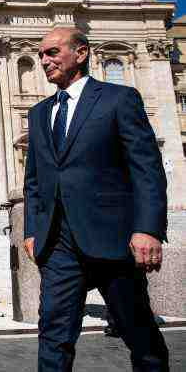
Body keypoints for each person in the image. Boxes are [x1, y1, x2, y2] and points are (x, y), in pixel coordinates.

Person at [23, 27, 169, 371]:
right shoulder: (40, 113)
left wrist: (147, 228)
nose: (44, 60)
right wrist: (32, 231)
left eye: (53, 52)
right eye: (42, 54)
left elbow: (146, 168)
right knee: (53, 334)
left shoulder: (118, 98)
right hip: (58, 243)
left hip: (114, 240)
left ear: (82, 53)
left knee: (139, 333)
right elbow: (34, 181)